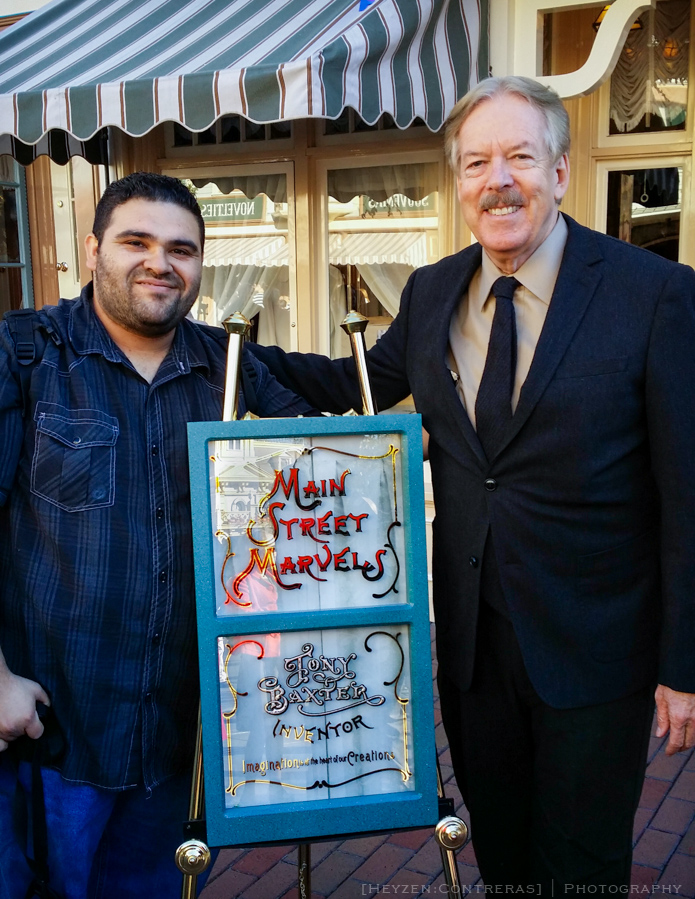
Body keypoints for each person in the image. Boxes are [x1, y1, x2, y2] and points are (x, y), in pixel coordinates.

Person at [248, 76, 695, 890]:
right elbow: (352, 385)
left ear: (558, 171)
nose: (497, 180)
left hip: (595, 650)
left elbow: (687, 491)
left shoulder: (655, 293)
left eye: (519, 156)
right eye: (476, 162)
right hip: (471, 650)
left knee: (583, 864)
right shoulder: (429, 291)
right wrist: (223, 356)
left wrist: (683, 664)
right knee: (503, 855)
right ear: (458, 184)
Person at [0, 172, 317, 898]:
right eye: (135, 241)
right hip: (52, 733)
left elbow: (324, 457)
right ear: (92, 250)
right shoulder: (26, 354)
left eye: (182, 248)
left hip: (179, 736)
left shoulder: (229, 367)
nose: (160, 262)